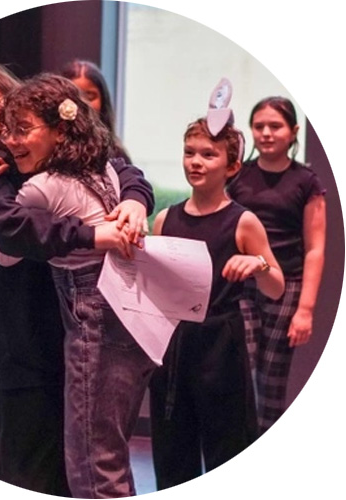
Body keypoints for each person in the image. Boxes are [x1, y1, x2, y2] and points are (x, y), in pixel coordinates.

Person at [0, 64, 154, 495]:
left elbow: (122, 169)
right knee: (35, 472)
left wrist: (136, 202)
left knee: (90, 462)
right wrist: (93, 234)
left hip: (81, 334)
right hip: (24, 348)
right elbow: (10, 240)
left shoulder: (59, 152)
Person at [149, 79, 285, 488]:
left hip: (221, 347)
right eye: (189, 152)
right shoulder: (165, 219)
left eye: (208, 154)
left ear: (231, 166)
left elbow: (276, 286)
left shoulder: (242, 221)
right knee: (172, 452)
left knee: (228, 447)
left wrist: (259, 263)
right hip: (173, 347)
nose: (196, 161)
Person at [227, 96, 326, 434]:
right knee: (239, 369)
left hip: (287, 288)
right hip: (242, 285)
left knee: (271, 380)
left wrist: (305, 310)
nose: (266, 133)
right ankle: (236, 445)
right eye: (259, 126)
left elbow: (315, 249)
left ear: (293, 131)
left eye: (275, 126)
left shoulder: (306, 181)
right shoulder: (238, 176)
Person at [60, 59, 131, 163]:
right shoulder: (46, 149)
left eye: (90, 97)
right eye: (75, 97)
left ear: (103, 100)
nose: (84, 104)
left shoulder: (116, 155)